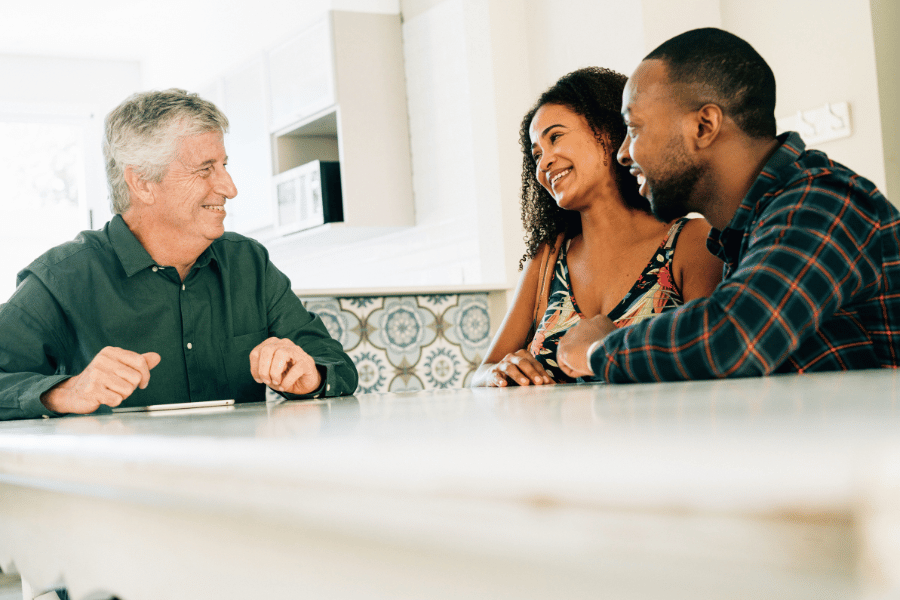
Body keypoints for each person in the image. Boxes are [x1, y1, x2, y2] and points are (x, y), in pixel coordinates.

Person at [557, 28, 900, 382]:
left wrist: (600, 351)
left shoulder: (825, 201)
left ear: (704, 125)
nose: (623, 152)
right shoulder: (747, 229)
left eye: (634, 127)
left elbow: (733, 339)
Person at [0, 89, 358, 421]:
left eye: (223, 166)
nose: (229, 188)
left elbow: (335, 364)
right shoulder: (62, 278)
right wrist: (64, 392)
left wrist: (310, 376)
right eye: (205, 169)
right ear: (141, 183)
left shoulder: (249, 263)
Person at [471, 67, 723, 387]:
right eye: (536, 155)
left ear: (607, 132)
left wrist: (601, 348)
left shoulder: (690, 240)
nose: (544, 162)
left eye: (555, 137)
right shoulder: (547, 258)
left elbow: (711, 361)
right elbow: (481, 373)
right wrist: (498, 373)